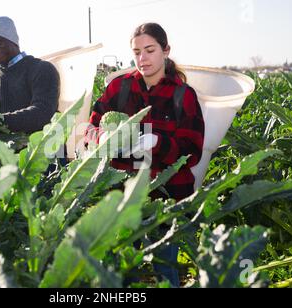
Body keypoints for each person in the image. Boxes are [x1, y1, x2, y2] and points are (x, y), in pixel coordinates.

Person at [85, 23, 205, 286]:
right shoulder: (119, 88)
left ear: (165, 51)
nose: (142, 58)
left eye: (149, 50)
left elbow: (192, 150)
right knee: (119, 270)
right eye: (137, 51)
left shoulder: (182, 95)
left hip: (165, 198)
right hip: (121, 195)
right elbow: (91, 127)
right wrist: (101, 137)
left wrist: (156, 143)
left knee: (166, 269)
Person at [0, 16, 60, 134]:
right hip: (3, 151)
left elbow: (42, 112)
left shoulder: (42, 69)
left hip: (40, 149)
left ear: (12, 40)